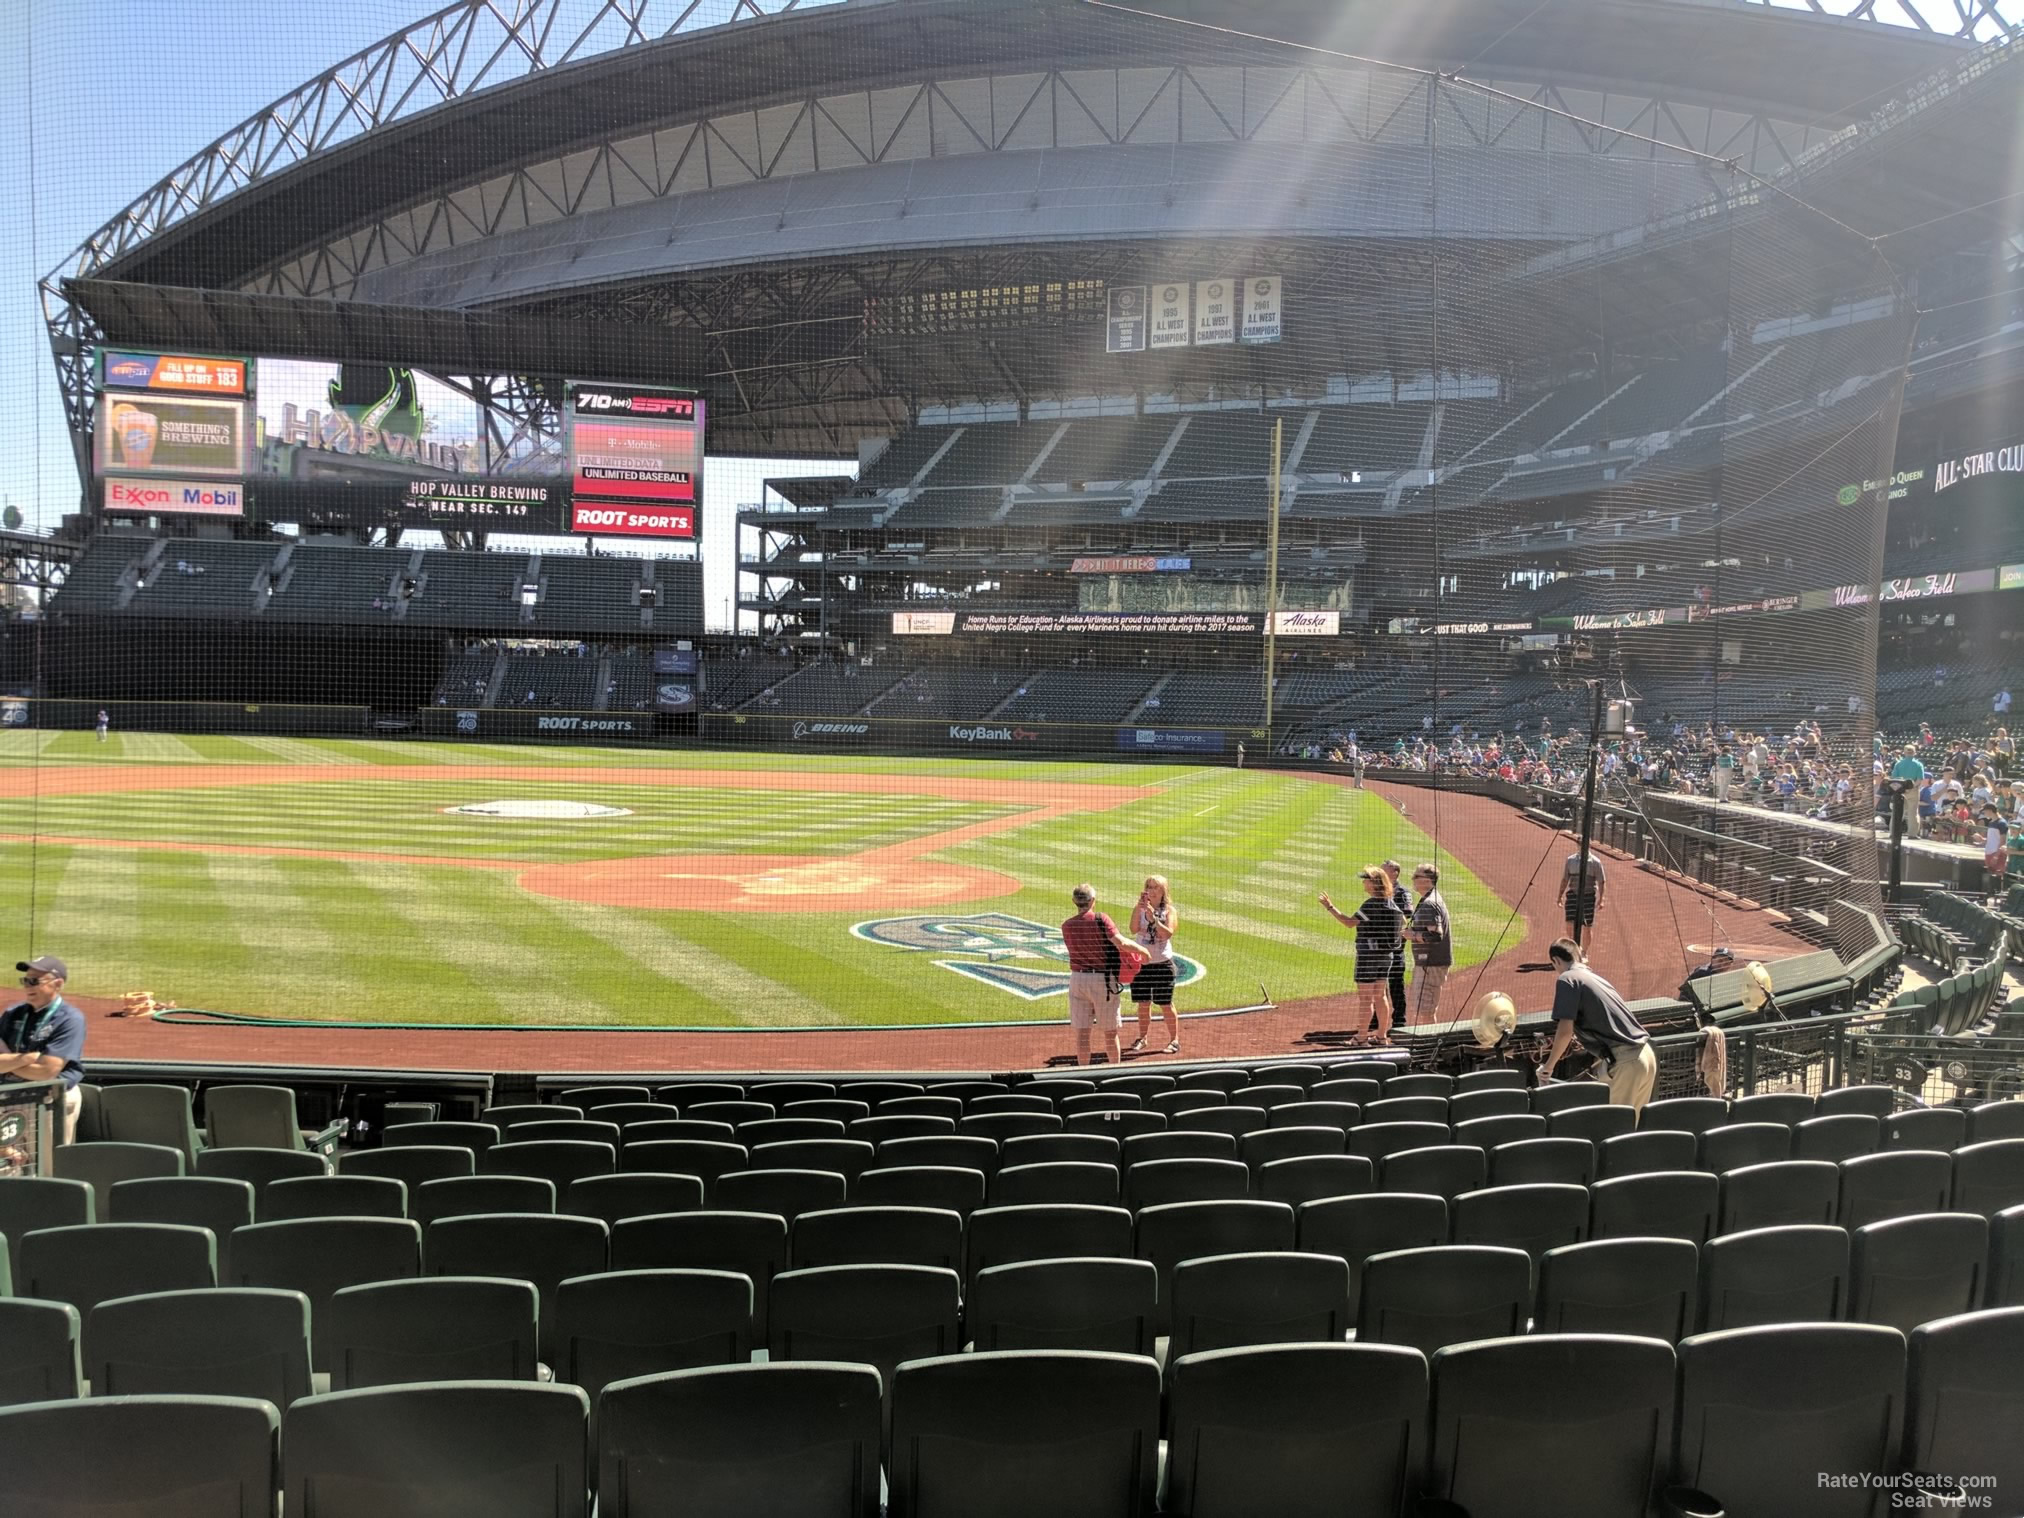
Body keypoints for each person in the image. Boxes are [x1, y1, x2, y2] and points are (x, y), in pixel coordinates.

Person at [1538, 939, 1657, 1114]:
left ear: (1555, 960)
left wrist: (1549, 1066)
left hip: (1627, 1062)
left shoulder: (1567, 979)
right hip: (1646, 1055)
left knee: (1615, 1129)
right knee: (1632, 1130)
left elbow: (1565, 1031)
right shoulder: (1596, 978)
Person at [0, 956, 86, 1142]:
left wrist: (7, 1061)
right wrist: (25, 1059)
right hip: (11, 1097)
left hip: (51, 1101)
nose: (28, 986)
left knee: (48, 1164)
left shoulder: (70, 1020)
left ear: (58, 984)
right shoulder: (12, 1013)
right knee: (13, 1163)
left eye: (34, 981)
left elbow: (47, 1072)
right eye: (25, 980)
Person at [1319, 867, 1404, 1045]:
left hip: (1368, 957)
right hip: (1386, 957)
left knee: (1366, 998)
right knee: (1380, 996)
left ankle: (1361, 1038)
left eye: (1366, 879)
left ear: (1374, 883)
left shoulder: (1371, 904)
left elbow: (1349, 923)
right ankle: (1381, 1037)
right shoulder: (1392, 903)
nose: (1363, 882)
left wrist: (1330, 907)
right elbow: (1401, 923)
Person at [1060, 883, 1137, 1068]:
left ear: (1074, 901)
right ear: (1093, 901)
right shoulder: (1101, 919)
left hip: (1077, 979)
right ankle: (1115, 1073)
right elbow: (1121, 943)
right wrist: (1143, 951)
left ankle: (1083, 1074)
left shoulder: (1067, 926)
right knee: (1110, 1033)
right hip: (1102, 981)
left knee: (1082, 1035)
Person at [1127, 875, 1180, 1055]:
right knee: (1143, 1003)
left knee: (1165, 1004)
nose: (1151, 890)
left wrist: (1154, 919)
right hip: (1142, 964)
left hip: (1162, 964)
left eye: (1155, 887)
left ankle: (1174, 1040)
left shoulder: (1169, 911)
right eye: (1148, 887)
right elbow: (1133, 929)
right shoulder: (1139, 909)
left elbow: (1167, 934)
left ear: (1163, 891)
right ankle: (1142, 1037)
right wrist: (1140, 910)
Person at [1406, 864, 1452, 1021]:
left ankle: (1429, 1044)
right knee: (1425, 1008)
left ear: (1426, 880)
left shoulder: (1429, 904)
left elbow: (1435, 935)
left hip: (1430, 964)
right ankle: (1428, 1042)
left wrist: (1413, 935)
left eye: (1416, 876)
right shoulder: (1431, 899)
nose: (1413, 879)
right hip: (1430, 964)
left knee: (1425, 1010)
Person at [1382, 860, 1411, 1029]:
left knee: (1395, 983)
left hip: (1395, 947)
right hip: (1380, 947)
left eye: (1384, 870)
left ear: (1395, 873)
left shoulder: (1402, 893)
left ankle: (1399, 1019)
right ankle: (1378, 1018)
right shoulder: (1381, 891)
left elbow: (1407, 916)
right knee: (1379, 984)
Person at [1557, 847, 1606, 937]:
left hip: (1588, 897)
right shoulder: (1570, 860)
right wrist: (1560, 896)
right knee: (1569, 923)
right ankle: (1573, 945)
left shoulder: (1596, 862)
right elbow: (1565, 879)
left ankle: (1584, 951)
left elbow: (1601, 881)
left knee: (1587, 926)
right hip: (1573, 895)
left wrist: (1602, 899)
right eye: (1579, 843)